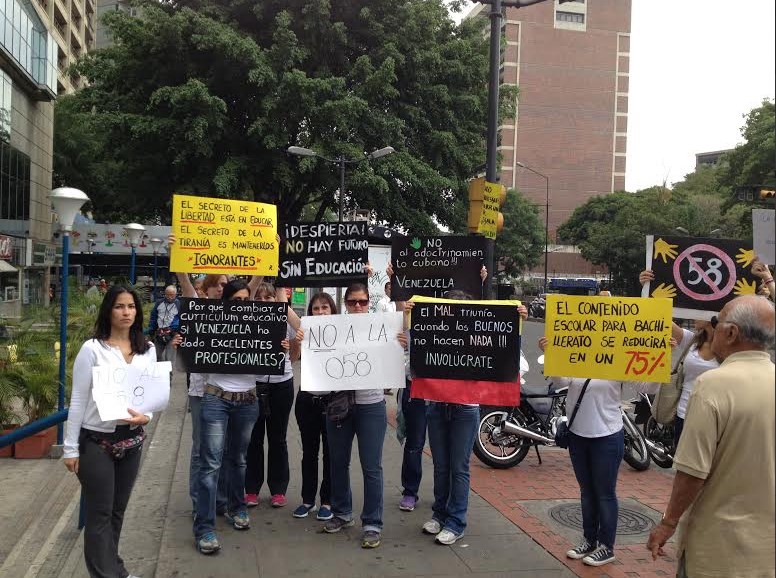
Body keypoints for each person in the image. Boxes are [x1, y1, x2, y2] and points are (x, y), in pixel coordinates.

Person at [646, 295, 775, 578]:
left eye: (717, 321)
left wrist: (668, 523)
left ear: (731, 333)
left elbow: (693, 472)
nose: (712, 327)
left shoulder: (712, 385)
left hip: (718, 546)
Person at [63, 285, 155, 578]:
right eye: (119, 306)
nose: (126, 312)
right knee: (99, 514)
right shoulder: (93, 349)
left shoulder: (148, 349)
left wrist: (147, 416)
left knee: (117, 511)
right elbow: (77, 399)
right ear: (108, 310)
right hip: (96, 441)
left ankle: (114, 569)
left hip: (131, 440)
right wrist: (70, 448)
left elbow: (149, 396)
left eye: (131, 306)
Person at [539, 335, 653, 567]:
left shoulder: (618, 359)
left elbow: (648, 386)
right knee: (586, 491)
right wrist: (552, 354)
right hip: (578, 434)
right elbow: (562, 383)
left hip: (607, 436)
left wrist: (661, 357)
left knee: (604, 493)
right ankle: (589, 540)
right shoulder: (577, 355)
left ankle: (606, 546)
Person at [193, 279, 289, 554]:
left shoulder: (260, 324)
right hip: (216, 398)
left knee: (239, 460)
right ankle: (205, 528)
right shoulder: (212, 320)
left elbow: (283, 355)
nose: (243, 304)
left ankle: (237, 510)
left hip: (248, 400)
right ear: (225, 302)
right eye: (236, 300)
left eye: (247, 300)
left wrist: (279, 346)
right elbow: (191, 301)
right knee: (210, 464)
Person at [320, 282, 404, 549]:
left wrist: (403, 340)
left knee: (372, 466)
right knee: (337, 462)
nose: (358, 306)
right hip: (340, 405)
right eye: (353, 302)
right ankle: (342, 513)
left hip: (371, 405)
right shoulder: (333, 328)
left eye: (363, 302)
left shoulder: (383, 328)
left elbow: (404, 329)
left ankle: (372, 522)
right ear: (345, 303)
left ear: (369, 303)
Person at [639, 270, 719, 446]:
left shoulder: (730, 349)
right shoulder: (692, 340)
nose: (694, 314)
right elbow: (662, 317)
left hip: (717, 419)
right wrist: (648, 289)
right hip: (684, 415)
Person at [245, 282, 299, 509]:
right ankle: (251, 489)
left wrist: (288, 349)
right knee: (254, 439)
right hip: (253, 385)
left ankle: (278, 489)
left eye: (269, 299)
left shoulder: (283, 320)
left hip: (281, 384)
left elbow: (298, 342)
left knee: (278, 438)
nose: (265, 302)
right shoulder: (246, 320)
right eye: (260, 298)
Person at [290, 292, 336, 520]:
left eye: (325, 307)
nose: (320, 312)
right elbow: (293, 358)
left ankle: (327, 501)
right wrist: (297, 342)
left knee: (330, 453)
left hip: (333, 403)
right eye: (316, 308)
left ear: (332, 310)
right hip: (307, 400)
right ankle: (307, 500)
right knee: (309, 453)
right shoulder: (305, 331)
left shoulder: (342, 333)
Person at [148, 285, 181, 365]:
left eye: (172, 295)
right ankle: (161, 374)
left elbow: (180, 319)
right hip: (159, 333)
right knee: (156, 355)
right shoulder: (159, 302)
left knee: (169, 358)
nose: (170, 297)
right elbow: (154, 316)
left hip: (172, 334)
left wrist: (173, 329)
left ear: (175, 295)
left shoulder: (179, 304)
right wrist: (151, 329)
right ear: (165, 294)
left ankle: (169, 376)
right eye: (168, 294)